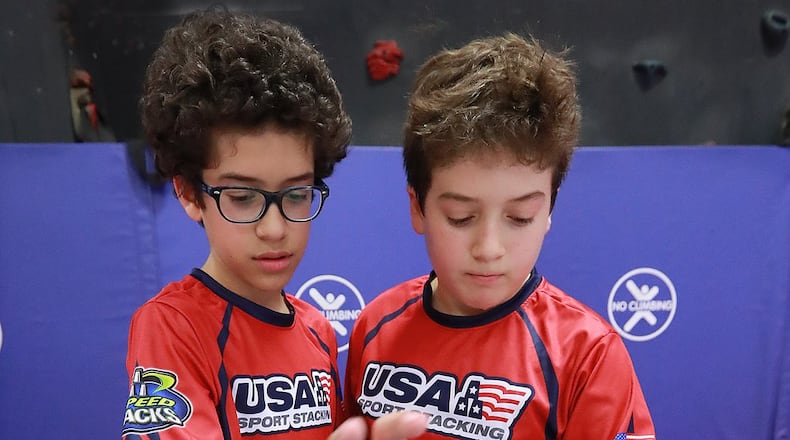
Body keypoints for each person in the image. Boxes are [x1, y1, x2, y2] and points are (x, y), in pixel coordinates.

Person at [121, 8, 425, 440]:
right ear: (189, 193)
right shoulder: (172, 326)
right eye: (243, 198)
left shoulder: (318, 330)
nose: (275, 228)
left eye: (296, 194)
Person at [344, 33, 656, 439]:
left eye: (520, 217)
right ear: (417, 207)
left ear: (549, 210)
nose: (489, 249)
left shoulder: (587, 354)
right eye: (461, 217)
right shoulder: (375, 325)